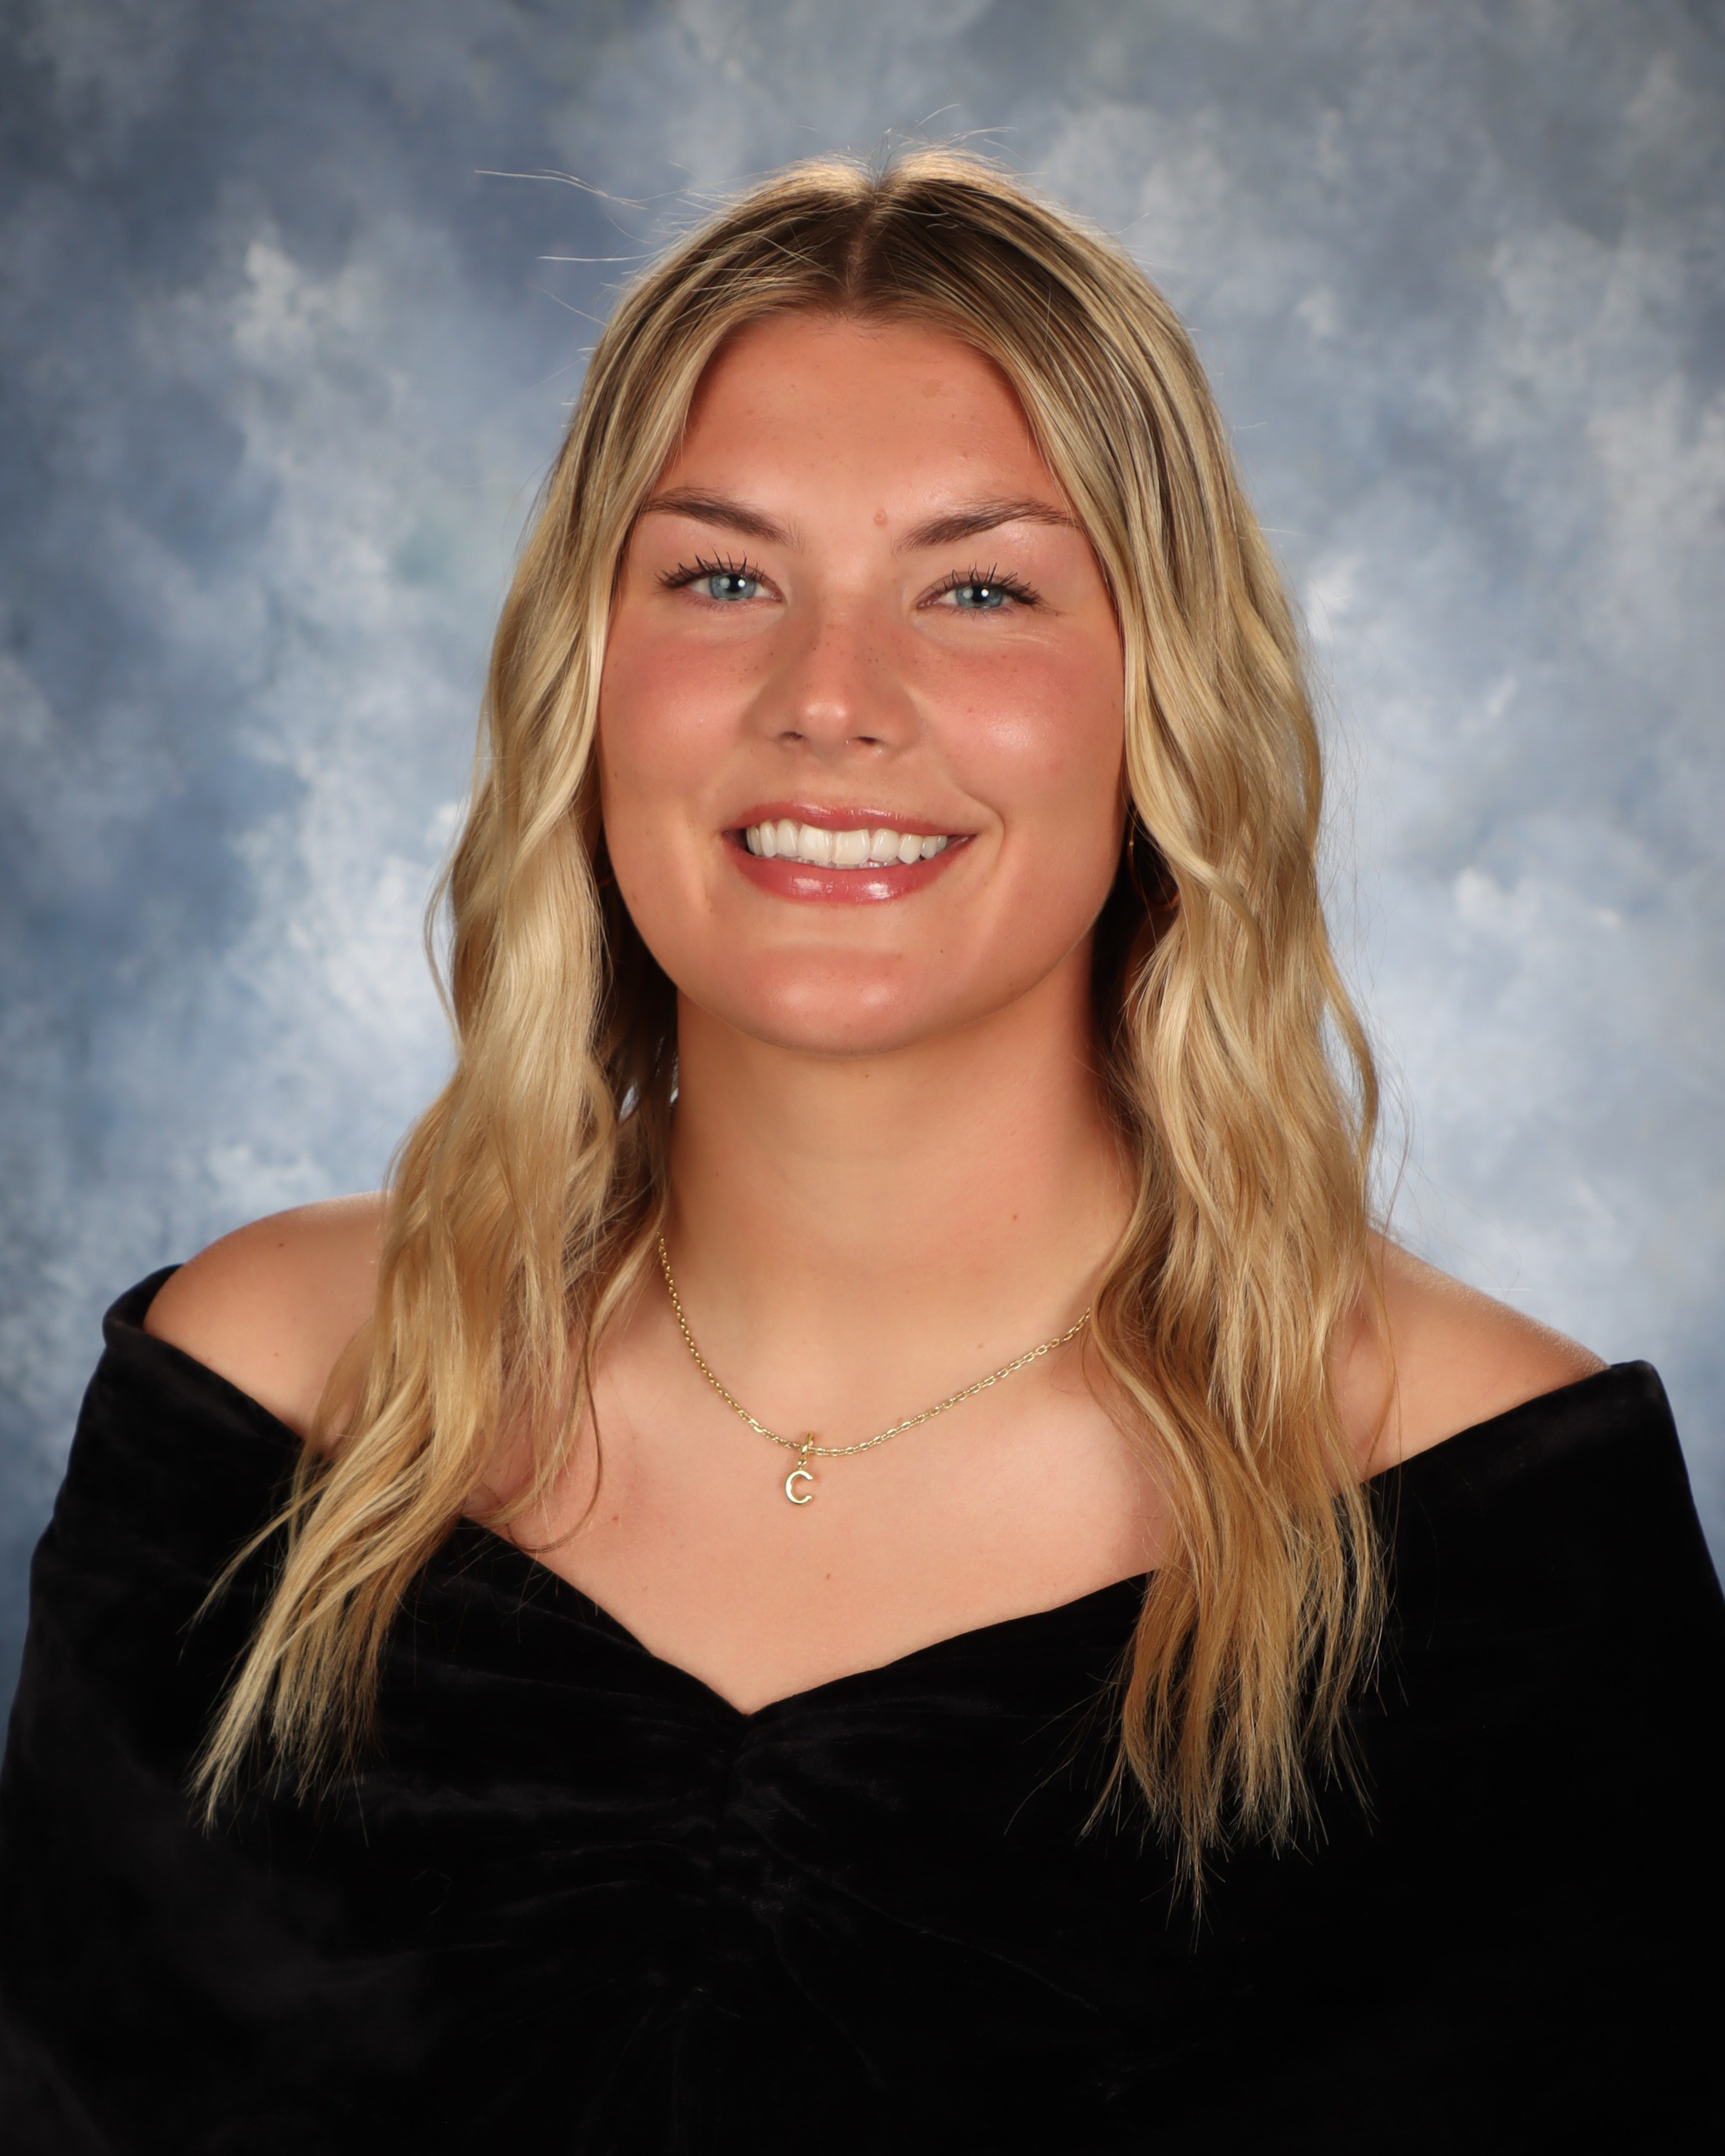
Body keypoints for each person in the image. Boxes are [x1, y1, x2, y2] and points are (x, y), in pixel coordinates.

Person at [1, 151, 1720, 2154]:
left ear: (1163, 695)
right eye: (722, 578)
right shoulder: (270, 1403)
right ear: (586, 674)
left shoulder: (1497, 1525)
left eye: (979, 590)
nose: (831, 701)